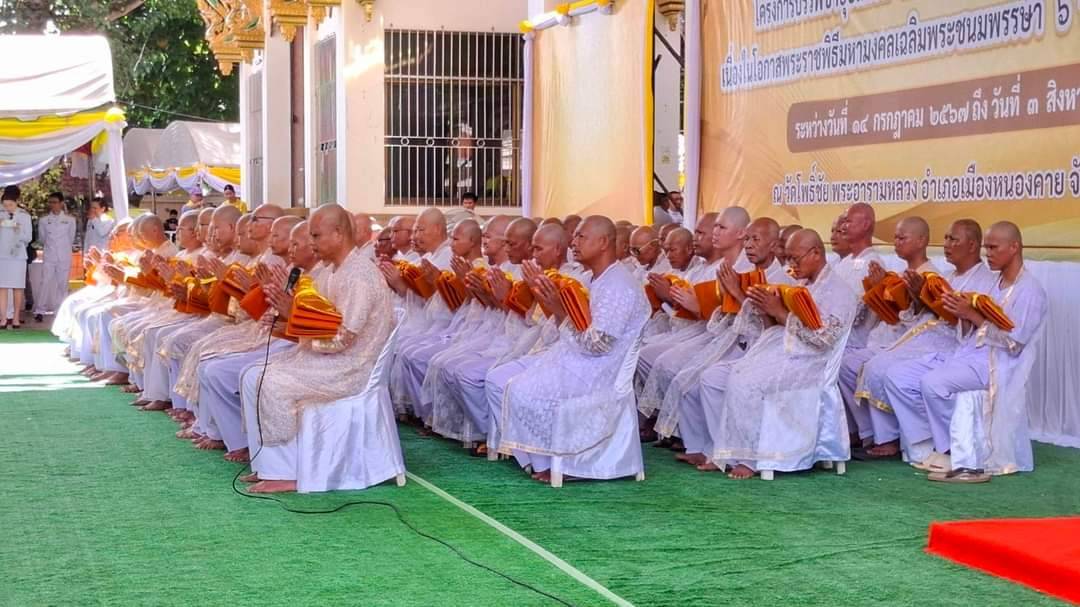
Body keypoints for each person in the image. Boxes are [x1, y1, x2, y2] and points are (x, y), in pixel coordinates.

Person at [238, 204, 394, 493]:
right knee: (251, 375)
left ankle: (287, 472)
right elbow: (317, 317)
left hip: (351, 367)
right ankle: (267, 465)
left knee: (270, 382)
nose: (311, 244)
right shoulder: (334, 270)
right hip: (327, 357)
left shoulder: (359, 275)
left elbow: (343, 338)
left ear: (338, 234)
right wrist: (288, 314)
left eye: (316, 236)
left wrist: (292, 315)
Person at [486, 216, 651, 482]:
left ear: (603, 242)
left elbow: (600, 345)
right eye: (574, 237)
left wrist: (559, 311)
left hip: (600, 368)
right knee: (511, 386)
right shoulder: (593, 277)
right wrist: (554, 307)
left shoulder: (619, 284)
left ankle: (555, 463)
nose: (573, 243)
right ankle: (541, 461)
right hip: (578, 356)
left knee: (523, 391)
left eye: (581, 237)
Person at [884, 222, 1047, 482]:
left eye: (994, 247)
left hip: (998, 363)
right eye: (987, 248)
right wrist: (956, 312)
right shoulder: (995, 283)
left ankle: (958, 450)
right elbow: (972, 327)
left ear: (1014, 247)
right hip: (969, 353)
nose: (988, 253)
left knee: (933, 384)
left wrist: (971, 315)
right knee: (902, 377)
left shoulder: (1030, 290)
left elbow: (1014, 343)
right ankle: (936, 446)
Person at [704, 229, 858, 479]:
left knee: (748, 383)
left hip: (813, 363)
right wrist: (763, 307)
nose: (791, 265)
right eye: (788, 259)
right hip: (788, 351)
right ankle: (733, 452)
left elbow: (824, 340)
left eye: (795, 259)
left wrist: (779, 312)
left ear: (816, 253)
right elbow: (776, 326)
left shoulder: (839, 291)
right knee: (735, 374)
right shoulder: (801, 284)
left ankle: (751, 458)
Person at [643, 218, 793, 453]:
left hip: (765, 350)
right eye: (748, 239)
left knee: (705, 378)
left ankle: (725, 450)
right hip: (733, 339)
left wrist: (734, 293)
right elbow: (725, 318)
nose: (749, 245)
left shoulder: (782, 281)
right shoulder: (743, 274)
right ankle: (701, 447)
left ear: (774, 245)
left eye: (756, 239)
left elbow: (767, 327)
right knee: (687, 381)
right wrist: (720, 300)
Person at [856, 219, 996, 461]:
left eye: (953, 239)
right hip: (934, 336)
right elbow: (928, 314)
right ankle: (915, 442)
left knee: (891, 372)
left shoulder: (987, 281)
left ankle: (930, 442)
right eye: (946, 238)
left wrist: (950, 309)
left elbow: (977, 323)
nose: (946, 245)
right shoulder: (950, 276)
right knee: (878, 368)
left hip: (957, 346)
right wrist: (919, 295)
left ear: (973, 245)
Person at [840, 216, 937, 452]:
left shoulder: (931, 276)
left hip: (918, 345)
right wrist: (878, 288)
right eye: (895, 237)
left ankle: (888, 437)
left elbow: (927, 321)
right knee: (844, 365)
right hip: (892, 339)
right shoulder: (904, 274)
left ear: (922, 240)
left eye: (902, 237)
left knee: (875, 367)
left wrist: (916, 296)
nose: (896, 242)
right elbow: (894, 315)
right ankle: (865, 431)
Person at [34, 192, 76, 322]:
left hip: (64, 255)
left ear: (62, 203)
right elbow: (42, 238)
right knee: (45, 281)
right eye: (50, 202)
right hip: (50, 254)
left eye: (55, 202)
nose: (53, 205)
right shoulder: (44, 220)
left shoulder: (70, 220)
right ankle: (40, 310)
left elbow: (71, 237)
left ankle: (60, 310)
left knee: (62, 284)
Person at [0, 186, 32, 328]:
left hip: (18, 256)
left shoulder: (24, 216)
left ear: (17, 202)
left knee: (18, 287)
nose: (8, 208)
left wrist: (17, 229)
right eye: (5, 205)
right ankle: (3, 318)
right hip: (2, 255)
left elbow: (28, 238)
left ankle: (16, 318)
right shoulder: (0, 215)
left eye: (10, 205)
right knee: (2, 287)